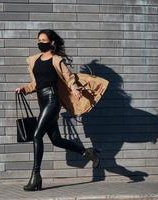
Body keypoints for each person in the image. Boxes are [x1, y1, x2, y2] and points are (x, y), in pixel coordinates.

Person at [15, 29, 101, 191]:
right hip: (42, 101)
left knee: (36, 135)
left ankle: (36, 177)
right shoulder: (35, 60)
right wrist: (24, 89)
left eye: (43, 40)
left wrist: (75, 89)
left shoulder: (57, 60)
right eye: (38, 40)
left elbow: (69, 78)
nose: (40, 42)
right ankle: (87, 152)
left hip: (52, 101)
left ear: (51, 42)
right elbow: (36, 84)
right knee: (56, 140)